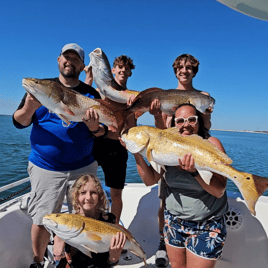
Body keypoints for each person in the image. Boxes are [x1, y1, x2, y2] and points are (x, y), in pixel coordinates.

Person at [13, 43, 110, 268]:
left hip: (83, 167)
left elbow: (104, 131)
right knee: (42, 218)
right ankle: (38, 262)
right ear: (58, 60)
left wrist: (96, 128)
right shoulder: (42, 87)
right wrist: (28, 106)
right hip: (45, 167)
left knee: (83, 219)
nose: (70, 62)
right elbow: (19, 122)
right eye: (66, 57)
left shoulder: (91, 94)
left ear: (82, 65)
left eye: (75, 59)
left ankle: (73, 262)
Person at [121, 103, 228, 268]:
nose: (185, 124)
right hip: (174, 222)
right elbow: (149, 180)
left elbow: (219, 191)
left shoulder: (211, 143)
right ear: (173, 125)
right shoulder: (164, 148)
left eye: (191, 120)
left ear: (199, 122)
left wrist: (195, 173)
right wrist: (137, 154)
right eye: (180, 121)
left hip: (206, 225)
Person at [149, 54, 213, 267]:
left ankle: (199, 235)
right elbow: (162, 131)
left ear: (194, 71)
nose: (183, 71)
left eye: (188, 68)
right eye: (179, 67)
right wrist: (158, 116)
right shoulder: (165, 96)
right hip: (169, 154)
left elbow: (206, 128)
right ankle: (162, 241)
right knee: (164, 200)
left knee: (201, 191)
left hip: (194, 151)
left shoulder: (203, 96)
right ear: (175, 70)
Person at [84, 55, 136, 224]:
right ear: (112, 70)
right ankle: (84, 224)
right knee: (84, 187)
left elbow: (130, 130)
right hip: (95, 144)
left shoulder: (130, 99)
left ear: (130, 73)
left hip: (117, 149)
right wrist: (89, 78)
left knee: (116, 194)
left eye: (126, 68)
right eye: (119, 67)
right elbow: (81, 97)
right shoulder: (99, 91)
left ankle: (114, 230)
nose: (122, 70)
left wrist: (130, 109)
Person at [53, 174, 126, 268]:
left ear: (100, 196)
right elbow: (63, 262)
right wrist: (59, 253)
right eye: (83, 192)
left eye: (93, 192)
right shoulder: (66, 223)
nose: (88, 197)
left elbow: (108, 263)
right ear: (75, 195)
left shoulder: (110, 220)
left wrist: (114, 258)